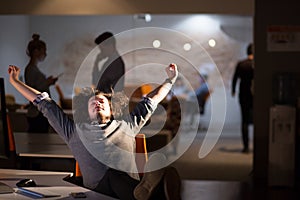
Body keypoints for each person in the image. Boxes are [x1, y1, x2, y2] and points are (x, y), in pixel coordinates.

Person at [8, 63, 181, 200]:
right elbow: (43, 103)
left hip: (127, 187)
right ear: (86, 112)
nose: (97, 103)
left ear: (112, 110)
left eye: (102, 102)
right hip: (98, 192)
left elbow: (152, 100)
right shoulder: (73, 131)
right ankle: (151, 192)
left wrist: (171, 80)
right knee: (113, 176)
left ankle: (146, 191)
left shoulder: (127, 125)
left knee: (119, 176)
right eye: (92, 103)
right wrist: (15, 81)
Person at [24, 33, 58, 133]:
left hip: (40, 111)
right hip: (37, 112)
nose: (45, 54)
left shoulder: (32, 69)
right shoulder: (30, 69)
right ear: (36, 51)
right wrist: (47, 83)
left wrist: (47, 83)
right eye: (43, 51)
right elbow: (32, 90)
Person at [231, 43, 254, 153]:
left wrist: (233, 90)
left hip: (243, 95)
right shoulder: (257, 64)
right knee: (258, 120)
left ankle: (246, 147)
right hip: (256, 96)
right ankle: (259, 144)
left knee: (244, 120)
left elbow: (235, 79)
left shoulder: (241, 64)